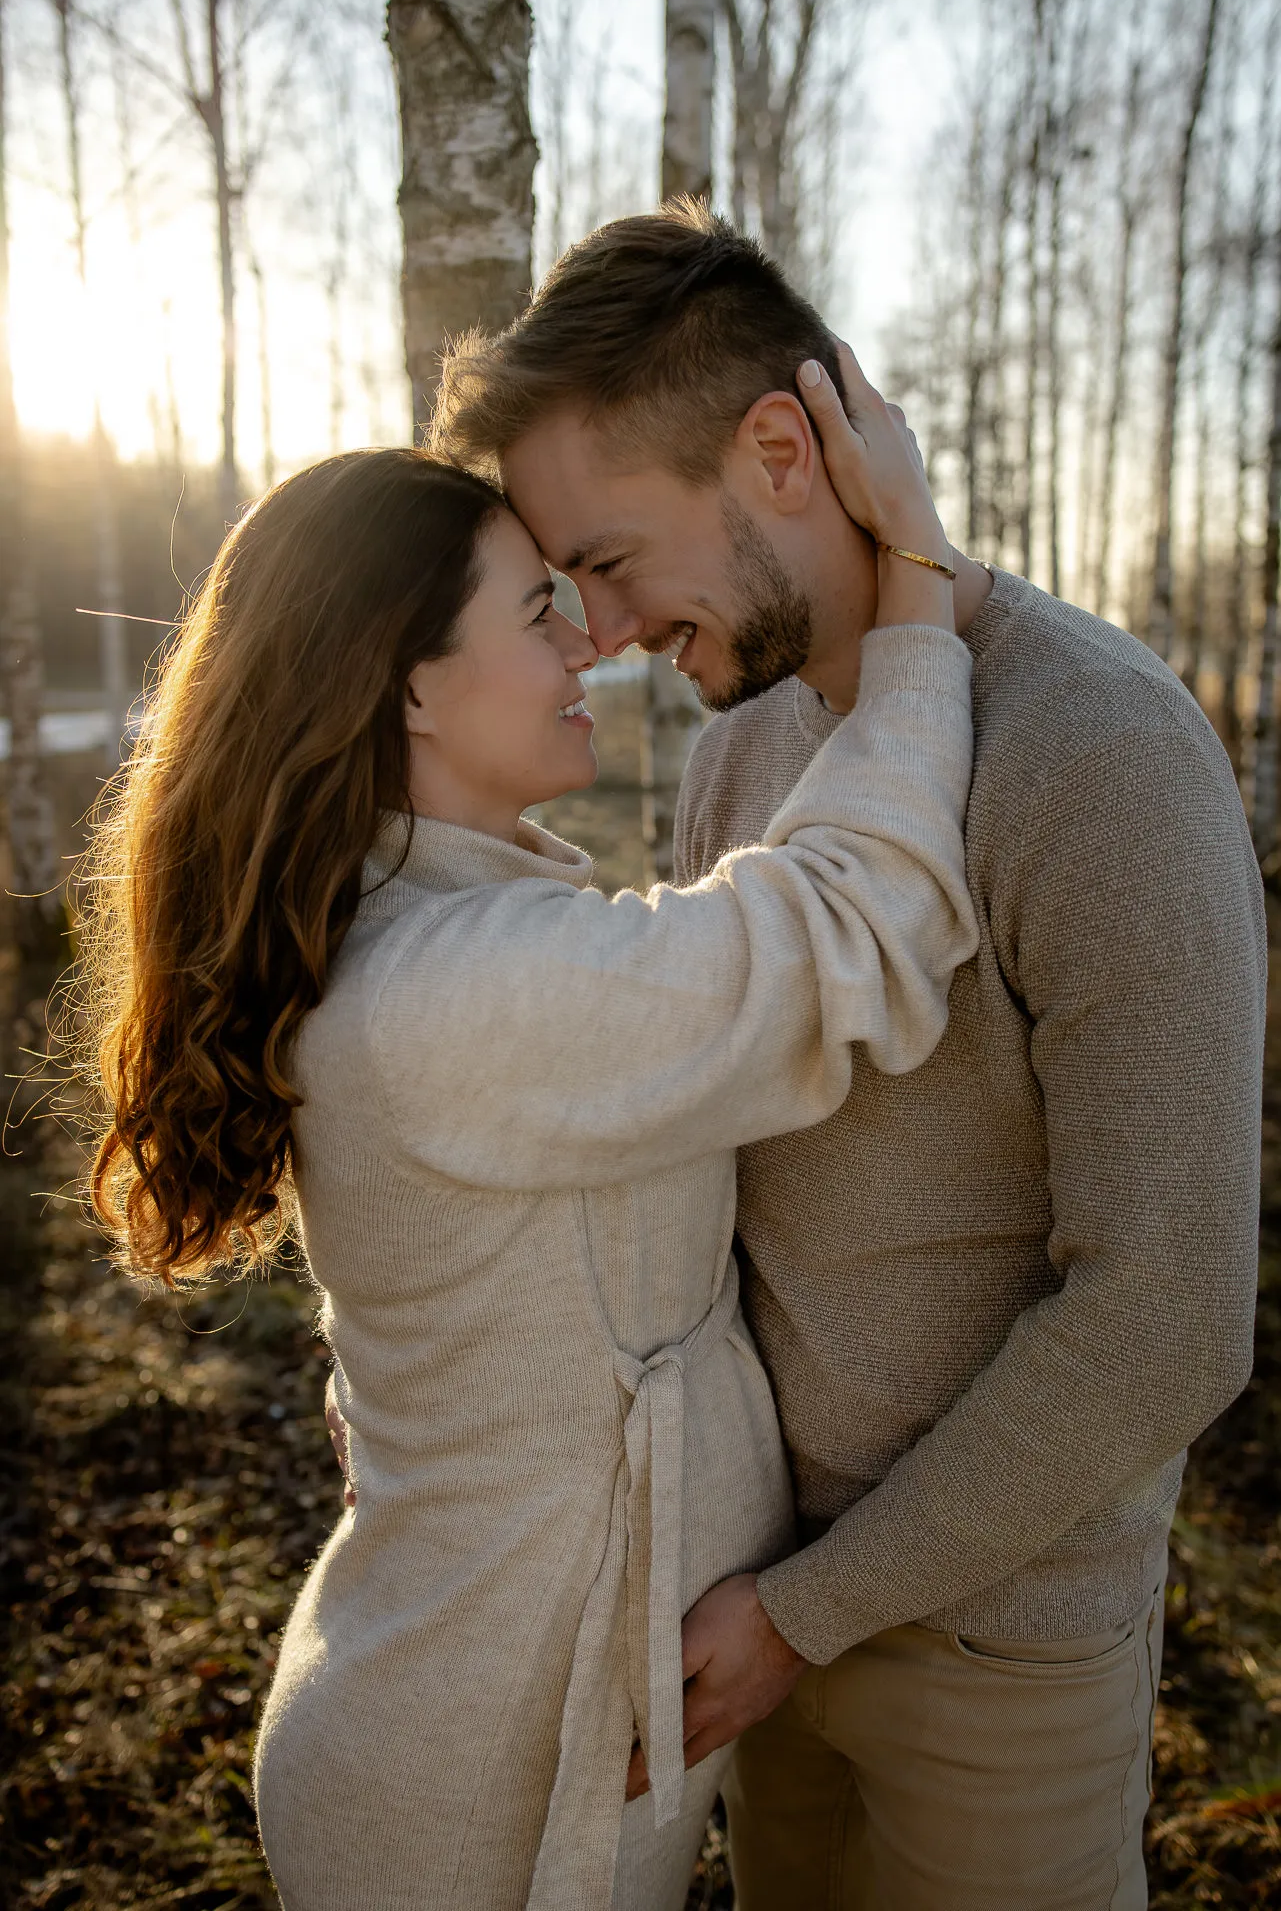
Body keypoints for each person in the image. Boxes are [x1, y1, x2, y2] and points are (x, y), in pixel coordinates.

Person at [432, 197, 1265, 1909]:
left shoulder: (1102, 749)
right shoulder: (746, 751)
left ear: (779, 447)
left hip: (992, 1651)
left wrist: (808, 1611)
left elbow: (1170, 1309)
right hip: (758, 1629)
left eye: (605, 563)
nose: (594, 632)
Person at [76, 416, 975, 1909]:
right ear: (413, 682)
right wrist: (920, 596)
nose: (592, 646)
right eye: (537, 609)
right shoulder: (454, 982)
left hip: (499, 1743)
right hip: (457, 1803)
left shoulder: (432, 938)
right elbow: (848, 935)